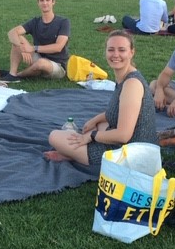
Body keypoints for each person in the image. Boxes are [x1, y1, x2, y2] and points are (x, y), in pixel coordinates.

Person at [44, 30, 156, 165]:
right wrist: (94, 120)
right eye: (111, 50)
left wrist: (91, 137)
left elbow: (123, 135)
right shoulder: (125, 77)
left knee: (54, 136)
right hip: (134, 145)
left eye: (122, 50)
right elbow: (118, 111)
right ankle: (75, 152)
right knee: (97, 125)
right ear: (106, 52)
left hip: (128, 155)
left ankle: (75, 155)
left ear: (132, 52)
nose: (115, 55)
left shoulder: (132, 84)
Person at [0, 0, 70, 83]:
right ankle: (12, 74)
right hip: (39, 58)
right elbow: (12, 33)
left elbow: (58, 47)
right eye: (42, 0)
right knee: (18, 37)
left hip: (57, 66)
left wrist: (32, 48)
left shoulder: (63, 22)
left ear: (53, 2)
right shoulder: (35, 21)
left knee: (41, 63)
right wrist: (21, 48)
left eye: (48, 0)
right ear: (38, 3)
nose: (45, 3)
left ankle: (19, 75)